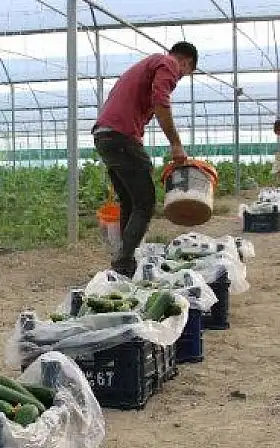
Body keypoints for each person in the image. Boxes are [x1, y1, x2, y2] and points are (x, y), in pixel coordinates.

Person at [92, 41, 198, 277]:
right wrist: (176, 144)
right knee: (145, 202)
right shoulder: (168, 63)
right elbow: (162, 103)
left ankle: (124, 261)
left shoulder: (146, 65)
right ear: (187, 62)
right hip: (120, 137)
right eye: (185, 73)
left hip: (105, 136)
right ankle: (123, 261)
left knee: (130, 201)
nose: (180, 78)